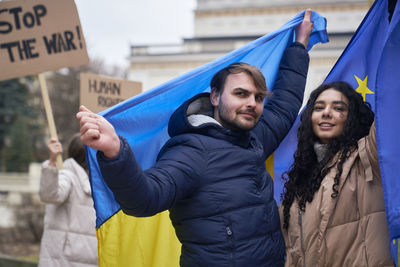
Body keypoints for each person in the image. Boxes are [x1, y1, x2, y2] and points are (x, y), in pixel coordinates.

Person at [77, 10, 313, 266]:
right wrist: (115, 151)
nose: (252, 104)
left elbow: (285, 104)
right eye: (241, 94)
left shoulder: (254, 139)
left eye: (258, 97)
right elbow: (145, 198)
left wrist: (299, 45)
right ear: (214, 97)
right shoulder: (191, 150)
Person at [280, 81, 394, 266]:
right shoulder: (298, 183)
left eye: (338, 107)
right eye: (319, 107)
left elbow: (391, 106)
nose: (326, 112)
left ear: (352, 117)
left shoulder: (368, 158)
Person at [38, 134, 98, 267]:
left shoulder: (96, 182)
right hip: (63, 259)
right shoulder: (67, 176)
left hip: (88, 257)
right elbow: (49, 195)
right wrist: (52, 162)